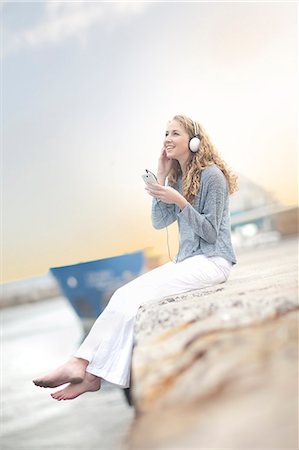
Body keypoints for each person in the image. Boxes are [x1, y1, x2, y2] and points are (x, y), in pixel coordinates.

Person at [33, 114, 237, 401]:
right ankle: (87, 371)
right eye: (165, 133)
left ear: (193, 141)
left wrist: (178, 200)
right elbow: (158, 221)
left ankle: (84, 367)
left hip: (213, 261)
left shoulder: (212, 176)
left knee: (136, 296)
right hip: (189, 261)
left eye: (175, 133)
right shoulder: (178, 179)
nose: (167, 139)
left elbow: (211, 233)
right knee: (124, 294)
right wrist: (162, 178)